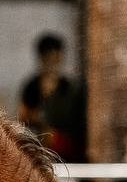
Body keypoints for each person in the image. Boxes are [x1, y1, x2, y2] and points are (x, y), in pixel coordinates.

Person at [17, 33, 88, 162]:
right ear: (41, 59)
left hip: (68, 154)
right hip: (39, 152)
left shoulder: (70, 88)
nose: (52, 65)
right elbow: (23, 119)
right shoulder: (32, 86)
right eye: (48, 59)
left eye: (56, 59)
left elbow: (79, 127)